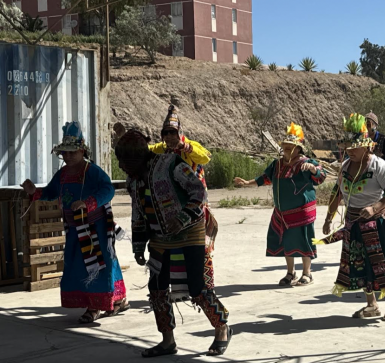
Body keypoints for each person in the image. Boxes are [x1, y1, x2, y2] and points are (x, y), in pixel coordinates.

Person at [115, 130, 231, 357]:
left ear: (141, 157)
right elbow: (137, 211)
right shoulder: (133, 180)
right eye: (122, 162)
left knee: (197, 287)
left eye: (128, 162)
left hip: (190, 231)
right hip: (159, 237)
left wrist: (184, 216)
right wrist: (138, 245)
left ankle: (222, 328)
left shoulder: (171, 164)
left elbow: (198, 191)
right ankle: (168, 340)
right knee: (156, 288)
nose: (124, 167)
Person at [21, 122, 128, 323]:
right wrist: (34, 192)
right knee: (81, 266)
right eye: (65, 153)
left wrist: (88, 203)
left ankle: (94, 306)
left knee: (96, 264)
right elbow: (51, 192)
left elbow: (108, 190)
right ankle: (117, 299)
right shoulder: (62, 175)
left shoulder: (93, 171)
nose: (68, 157)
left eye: (72, 153)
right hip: (74, 229)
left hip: (95, 228)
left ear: (82, 151)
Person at [314, 113, 385, 322]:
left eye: (354, 148)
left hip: (378, 222)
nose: (350, 151)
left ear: (366, 147)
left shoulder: (378, 166)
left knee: (381, 263)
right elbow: (336, 194)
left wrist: (374, 208)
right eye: (348, 147)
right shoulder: (345, 167)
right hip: (353, 222)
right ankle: (371, 304)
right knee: (359, 262)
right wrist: (329, 219)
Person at [234, 122, 326, 286]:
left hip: (302, 211)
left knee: (304, 240)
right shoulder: (277, 164)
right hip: (282, 212)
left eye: (291, 147)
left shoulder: (306, 162)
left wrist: (313, 169)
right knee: (287, 241)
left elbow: (320, 177)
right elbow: (265, 178)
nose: (287, 150)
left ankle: (307, 273)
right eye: (285, 147)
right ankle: (290, 273)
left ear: (298, 149)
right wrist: (247, 182)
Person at [149, 105, 218, 301]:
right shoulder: (161, 150)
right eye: (166, 133)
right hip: (171, 211)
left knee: (199, 250)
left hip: (195, 208)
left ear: (180, 132)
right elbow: (145, 152)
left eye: (173, 132)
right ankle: (177, 289)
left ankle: (204, 288)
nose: (169, 137)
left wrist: (184, 147)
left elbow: (204, 157)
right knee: (173, 251)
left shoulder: (191, 146)